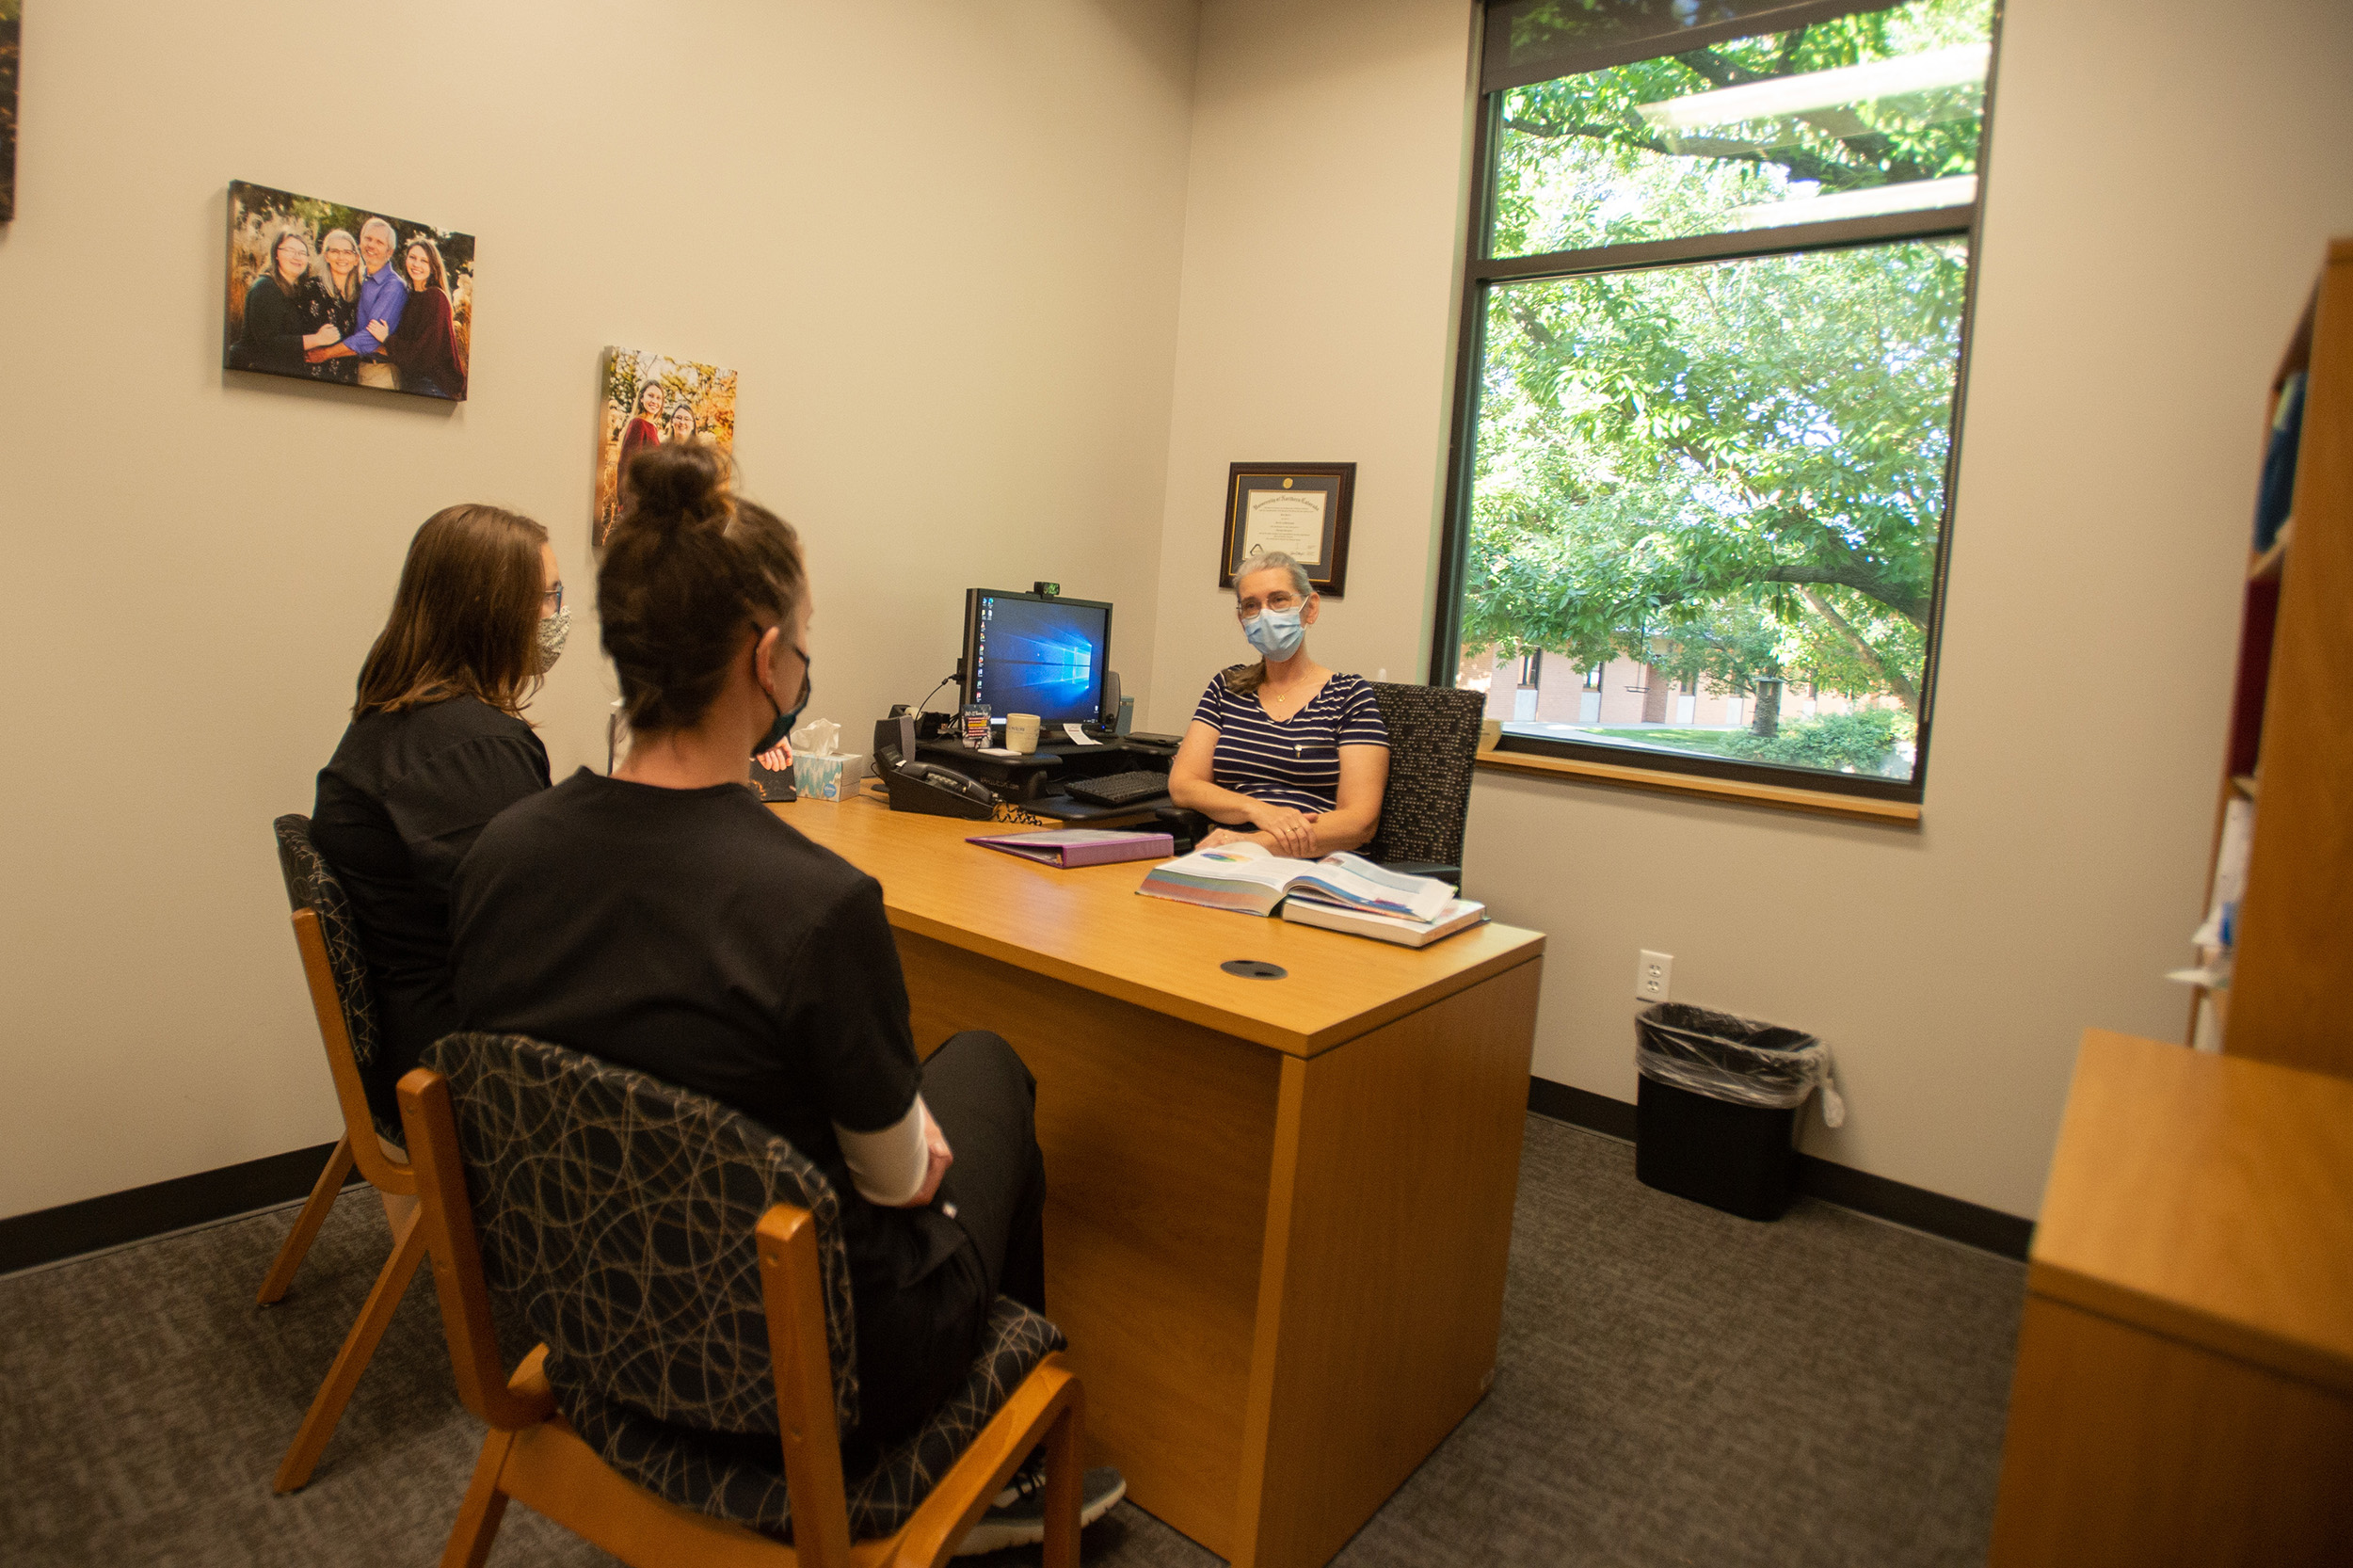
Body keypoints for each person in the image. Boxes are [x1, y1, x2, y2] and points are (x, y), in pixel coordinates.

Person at [448, 445, 1122, 1549]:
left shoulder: (500, 856)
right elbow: (902, 1182)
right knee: (989, 1065)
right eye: (801, 643)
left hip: (596, 1323)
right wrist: (915, 1152)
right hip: (823, 1378)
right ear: (766, 661)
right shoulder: (816, 906)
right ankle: (991, 1460)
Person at [311, 505, 565, 1135]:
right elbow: (537, 930)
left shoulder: (397, 724)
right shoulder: (468, 749)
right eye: (549, 597)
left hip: (420, 1034)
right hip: (464, 1064)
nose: (559, 615)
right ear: (494, 611)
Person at [1167, 552, 1390, 856]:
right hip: (1227, 853)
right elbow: (1183, 785)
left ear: (1309, 608)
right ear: (1242, 620)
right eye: (1251, 606)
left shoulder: (1350, 695)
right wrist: (1257, 810)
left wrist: (1254, 844)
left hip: (1313, 862)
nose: (1265, 614)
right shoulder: (1227, 687)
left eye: (1278, 600)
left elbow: (1360, 823)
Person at [304, 216, 408, 389]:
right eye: (368, 239)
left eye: (379, 242)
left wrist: (325, 353)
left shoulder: (393, 286)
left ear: (389, 252)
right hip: (355, 369)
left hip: (378, 372)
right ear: (360, 243)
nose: (371, 245)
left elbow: (371, 337)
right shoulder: (361, 281)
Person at [230, 226, 344, 376]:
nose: (297, 257)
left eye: (302, 253)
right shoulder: (265, 287)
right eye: (290, 251)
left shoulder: (295, 291)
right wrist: (317, 339)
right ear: (276, 253)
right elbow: (268, 343)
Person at [377, 236, 467, 399]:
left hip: (431, 384)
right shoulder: (411, 297)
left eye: (424, 261)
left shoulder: (435, 297)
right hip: (413, 382)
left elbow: (423, 355)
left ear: (433, 267)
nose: (416, 264)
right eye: (412, 258)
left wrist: (386, 339)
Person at [301, 229, 363, 385]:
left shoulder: (359, 295)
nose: (341, 257)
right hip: (317, 377)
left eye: (348, 252)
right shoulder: (313, 288)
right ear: (327, 256)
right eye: (335, 251)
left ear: (356, 259)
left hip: (348, 378)